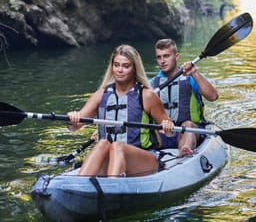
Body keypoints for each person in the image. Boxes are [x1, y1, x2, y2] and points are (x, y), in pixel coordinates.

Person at [67, 44, 175, 177]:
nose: (120, 70)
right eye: (116, 65)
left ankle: (112, 186)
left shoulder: (147, 95)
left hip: (143, 159)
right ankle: (80, 183)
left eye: (126, 66)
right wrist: (72, 119)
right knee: (102, 143)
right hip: (111, 157)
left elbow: (170, 133)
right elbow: (74, 127)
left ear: (134, 69)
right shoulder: (102, 94)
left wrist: (168, 127)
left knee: (118, 146)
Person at [150, 38, 218, 156]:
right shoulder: (151, 84)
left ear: (176, 56)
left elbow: (213, 96)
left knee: (188, 124)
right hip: (163, 132)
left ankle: (185, 151)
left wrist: (194, 73)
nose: (162, 61)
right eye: (159, 57)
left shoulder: (191, 78)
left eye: (166, 56)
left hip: (190, 131)